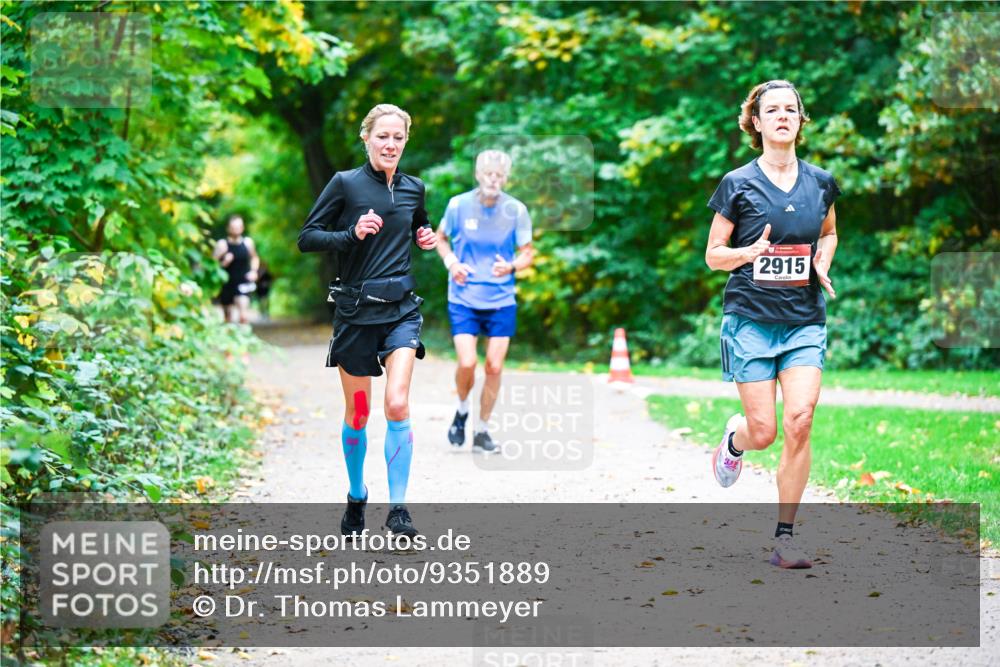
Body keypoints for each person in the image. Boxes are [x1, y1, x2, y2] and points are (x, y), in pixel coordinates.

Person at [704, 80, 840, 569]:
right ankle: (735, 439)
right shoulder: (736, 183)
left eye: (791, 109)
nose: (782, 115)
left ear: (800, 122)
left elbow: (829, 233)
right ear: (756, 122)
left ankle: (785, 536)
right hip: (751, 322)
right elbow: (713, 256)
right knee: (764, 431)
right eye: (772, 110)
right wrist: (748, 252)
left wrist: (822, 261)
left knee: (800, 420)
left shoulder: (821, 182)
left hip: (804, 320)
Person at [298, 103, 437, 538]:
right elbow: (308, 238)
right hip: (356, 311)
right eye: (382, 136)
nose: (390, 144)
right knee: (358, 413)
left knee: (396, 403)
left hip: (401, 309)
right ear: (367, 138)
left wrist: (426, 237)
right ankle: (357, 495)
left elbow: (419, 226)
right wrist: (351, 233)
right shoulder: (345, 184)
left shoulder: (415, 188)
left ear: (406, 141)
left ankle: (399, 511)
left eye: (398, 137)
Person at [435, 150, 534, 452]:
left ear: (506, 178)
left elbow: (528, 253)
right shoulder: (458, 206)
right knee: (468, 362)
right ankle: (463, 409)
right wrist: (452, 263)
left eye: (500, 175)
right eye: (488, 174)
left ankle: (481, 430)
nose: (494, 179)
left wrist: (512, 266)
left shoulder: (516, 210)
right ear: (478, 175)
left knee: (493, 366)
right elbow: (440, 238)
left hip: (501, 298)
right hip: (464, 297)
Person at [213, 215, 259, 324]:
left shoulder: (248, 243)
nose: (236, 230)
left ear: (242, 228)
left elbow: (255, 258)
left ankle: (245, 337)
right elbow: (211, 265)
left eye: (239, 227)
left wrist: (253, 271)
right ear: (228, 228)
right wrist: (224, 262)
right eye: (233, 227)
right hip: (226, 284)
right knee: (227, 318)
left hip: (243, 283)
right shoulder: (222, 245)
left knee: (243, 316)